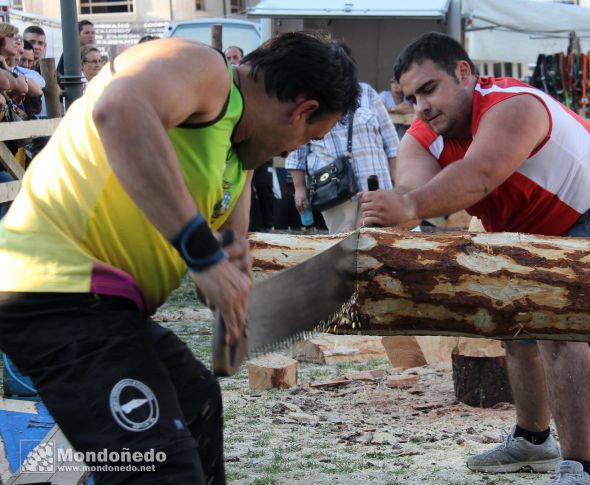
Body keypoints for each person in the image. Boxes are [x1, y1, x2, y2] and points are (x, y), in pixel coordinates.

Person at [0, 32, 358, 484]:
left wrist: (234, 303)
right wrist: (201, 254)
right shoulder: (205, 70)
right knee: (160, 470)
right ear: (302, 109)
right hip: (55, 292)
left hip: (103, 308)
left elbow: (232, 244)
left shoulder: (238, 155)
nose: (295, 151)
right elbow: (119, 110)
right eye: (311, 135)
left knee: (196, 403)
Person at [360, 32, 590, 485]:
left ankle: (578, 469)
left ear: (464, 73)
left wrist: (409, 207)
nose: (421, 107)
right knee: (515, 319)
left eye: (429, 89)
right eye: (411, 98)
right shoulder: (423, 134)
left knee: (555, 323)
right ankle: (534, 443)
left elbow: (480, 176)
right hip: (533, 226)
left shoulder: (515, 104)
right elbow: (413, 190)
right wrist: (392, 214)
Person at [287, 54, 398, 233]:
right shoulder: (312, 98)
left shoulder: (367, 92)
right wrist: (299, 188)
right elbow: (297, 150)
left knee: (378, 243)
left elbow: (391, 141)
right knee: (342, 245)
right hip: (333, 189)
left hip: (374, 186)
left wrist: (397, 182)